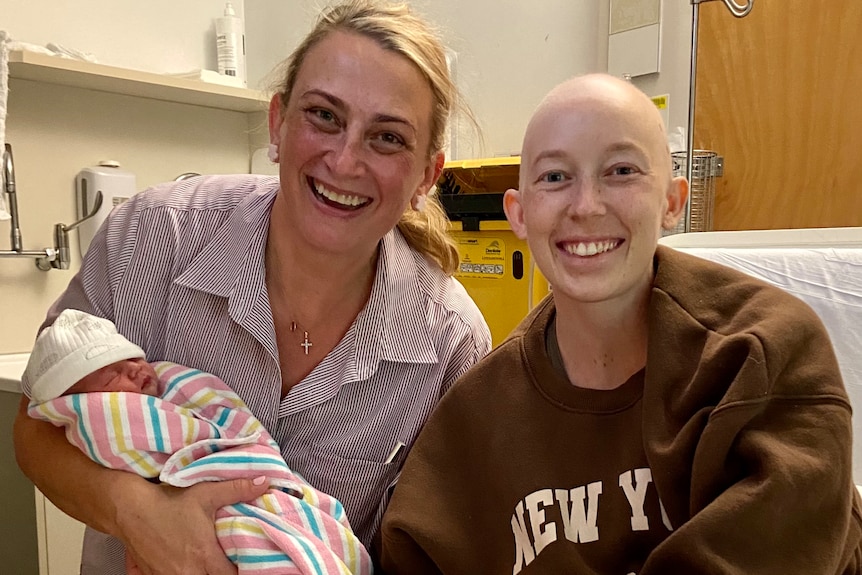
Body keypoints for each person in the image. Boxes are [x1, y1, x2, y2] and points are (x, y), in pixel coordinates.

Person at [13, 1, 492, 573]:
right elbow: (34, 429)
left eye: (387, 138)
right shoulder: (151, 240)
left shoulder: (450, 344)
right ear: (277, 123)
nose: (344, 160)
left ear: (426, 176)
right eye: (324, 116)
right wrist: (136, 513)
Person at [377, 73, 862, 574]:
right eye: (555, 177)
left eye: (622, 171)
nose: (586, 206)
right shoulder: (475, 421)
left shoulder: (762, 353)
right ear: (519, 215)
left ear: (672, 202)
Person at [22, 308, 373, 575]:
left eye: (132, 359)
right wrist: (137, 512)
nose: (134, 370)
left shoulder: (425, 321)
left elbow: (225, 423)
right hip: (225, 516)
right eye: (113, 373)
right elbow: (43, 429)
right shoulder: (142, 236)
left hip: (275, 500)